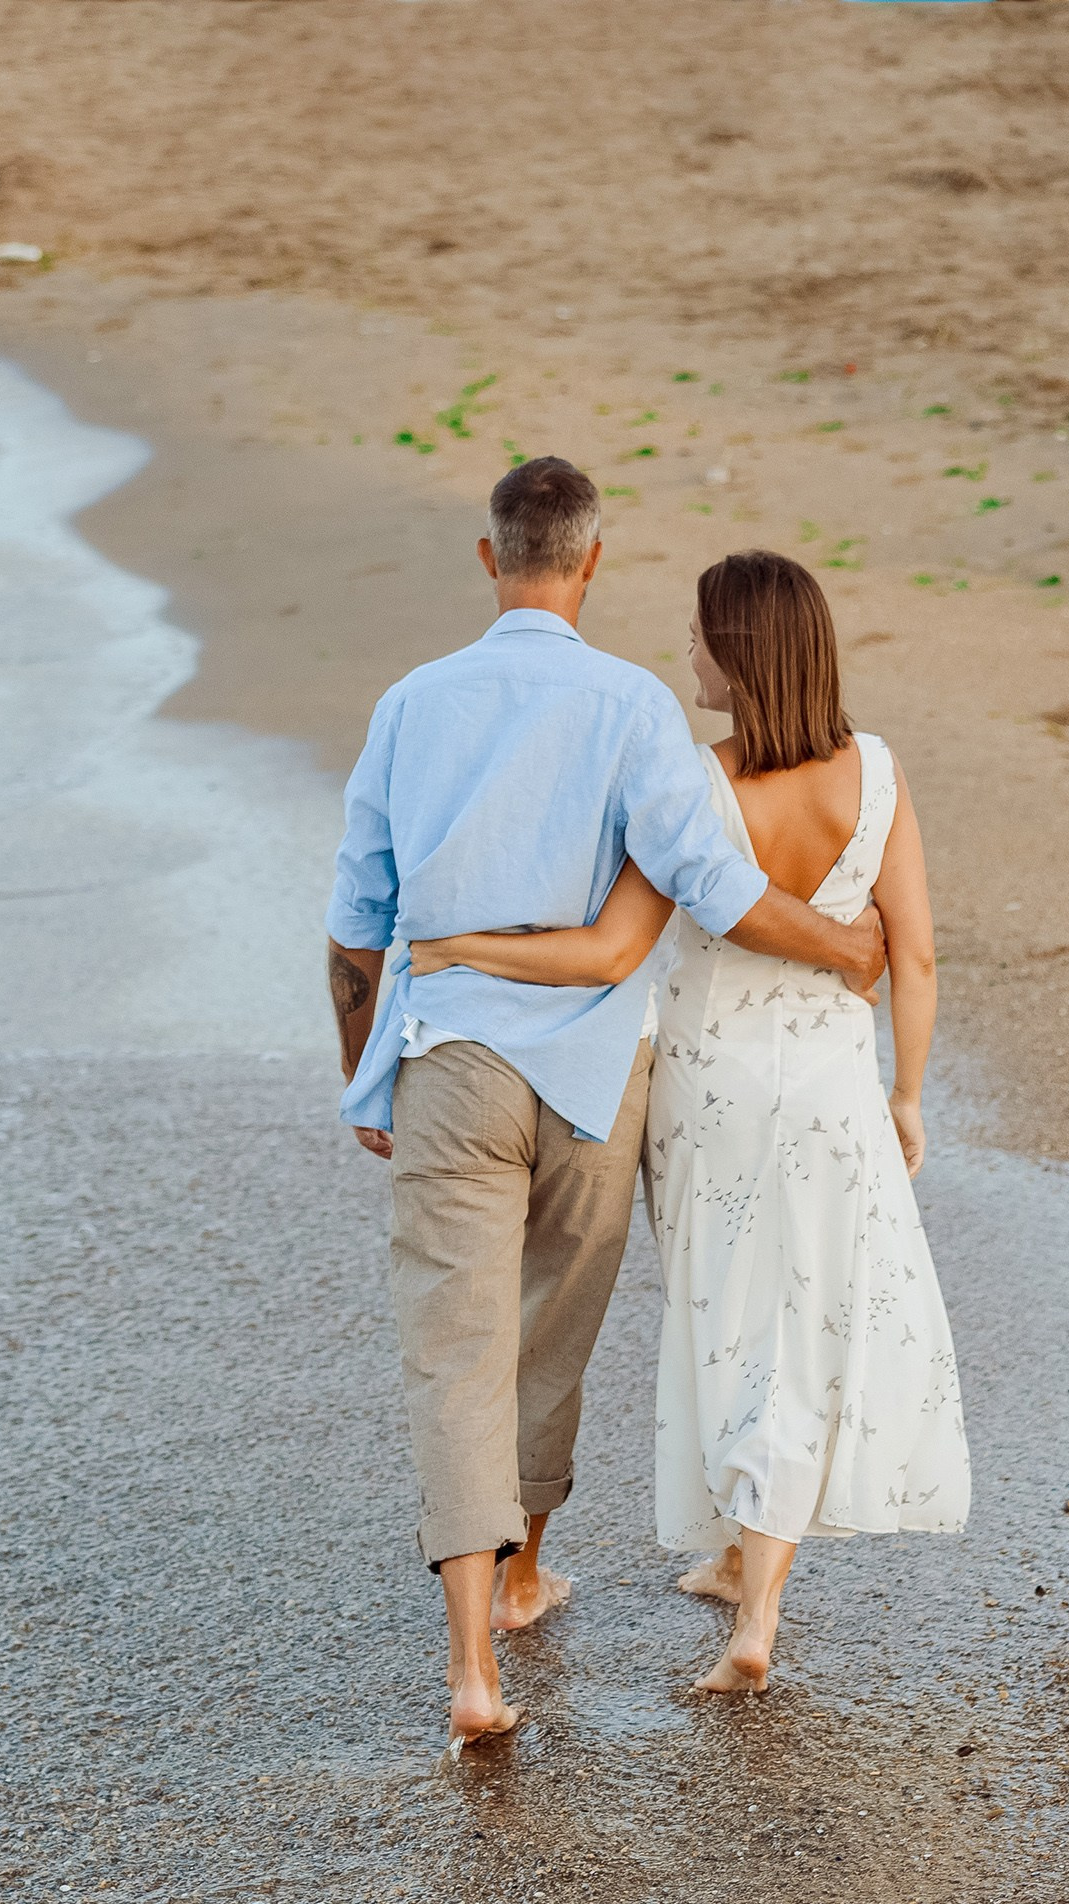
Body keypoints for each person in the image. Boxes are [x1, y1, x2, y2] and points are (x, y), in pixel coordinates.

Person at [326, 464, 887, 1748]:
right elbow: (717, 886)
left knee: (452, 1353)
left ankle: (475, 1668)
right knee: (549, 1336)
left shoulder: (410, 705)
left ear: (489, 559)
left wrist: (366, 1074)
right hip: (592, 1081)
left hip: (450, 1060)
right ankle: (524, 1573)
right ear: (589, 564)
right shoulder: (633, 704)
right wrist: (845, 951)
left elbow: (356, 924)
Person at [407, 547, 969, 1699]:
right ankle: (750, 1596)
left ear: (742, 656)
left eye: (703, 640)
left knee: (729, 1329)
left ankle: (721, 1571)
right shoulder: (876, 771)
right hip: (828, 1088)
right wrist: (906, 1092)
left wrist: (463, 947)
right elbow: (909, 951)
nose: (690, 657)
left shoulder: (696, 783)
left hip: (707, 1089)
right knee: (803, 1329)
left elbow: (611, 950)